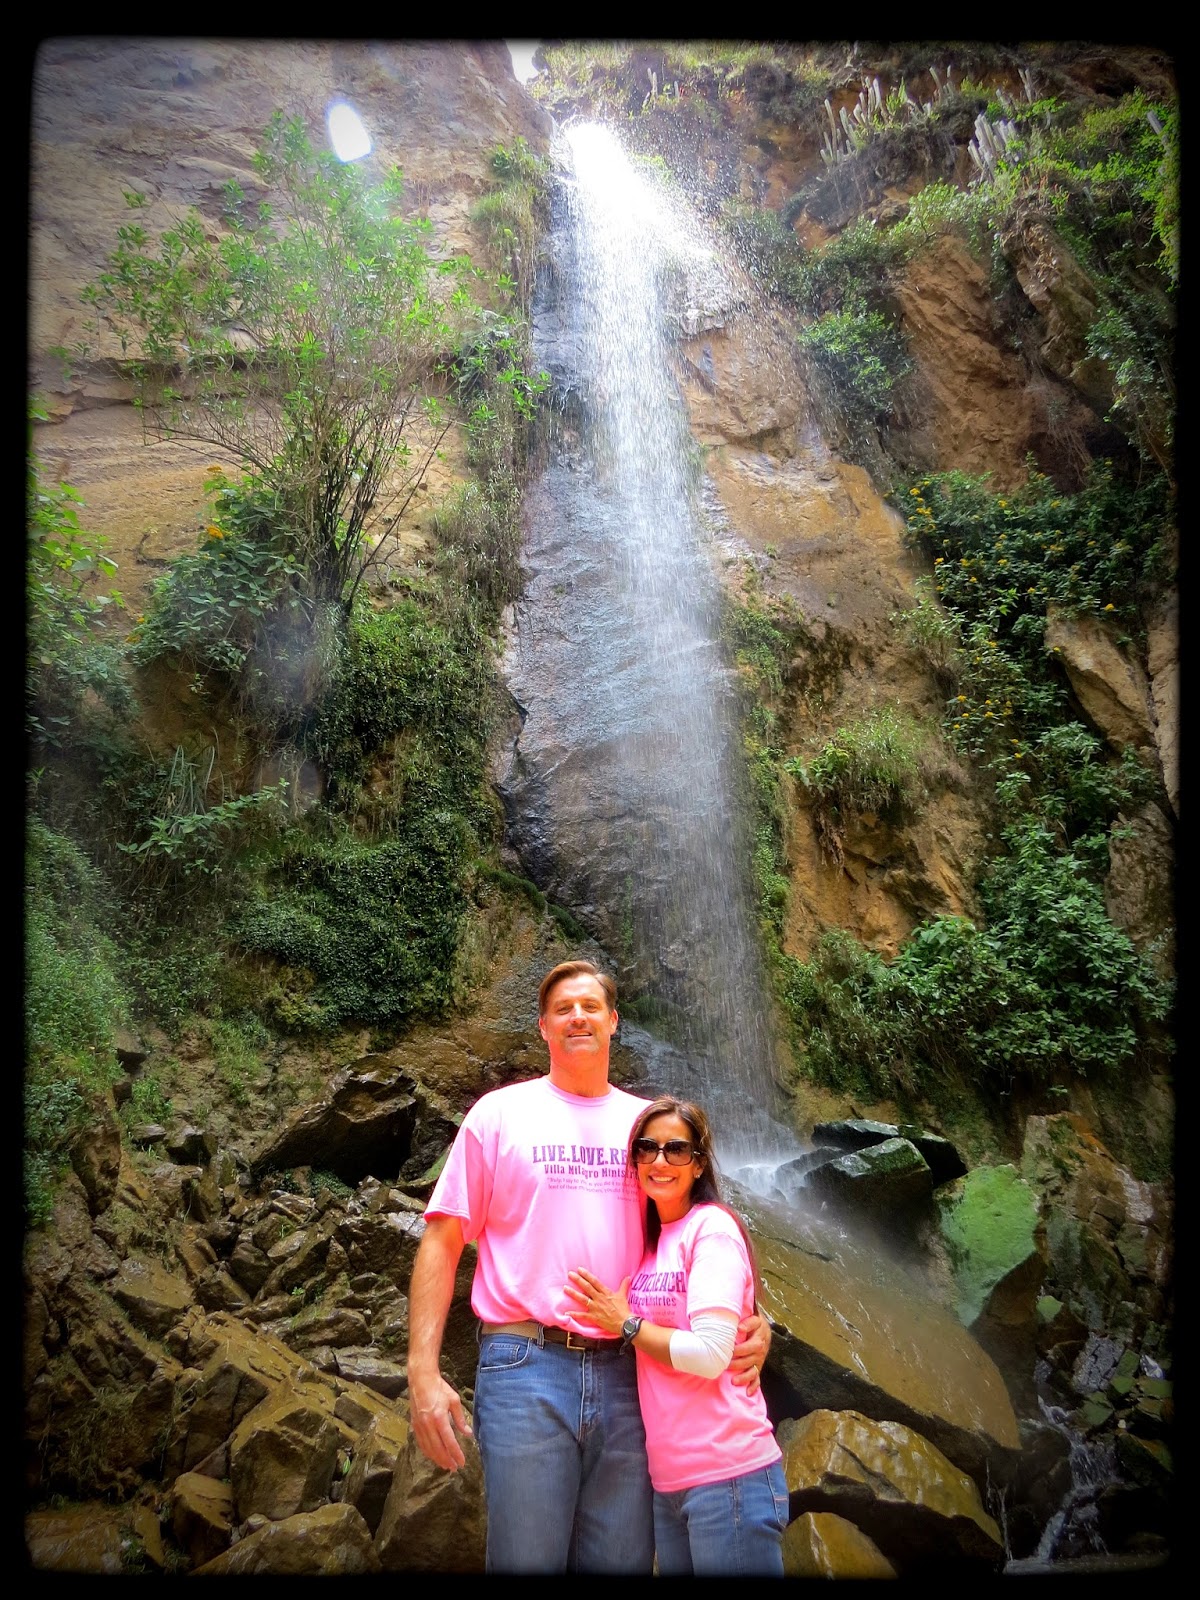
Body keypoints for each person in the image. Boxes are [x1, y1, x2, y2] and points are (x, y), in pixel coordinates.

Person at [407, 959, 770, 1573]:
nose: (578, 1016)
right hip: (525, 1365)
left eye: (590, 1006)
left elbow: (698, 1232)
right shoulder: (498, 1115)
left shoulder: (649, 1131)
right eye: (563, 1009)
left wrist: (757, 1322)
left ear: (613, 1021)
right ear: (543, 1027)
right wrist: (422, 1371)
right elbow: (441, 1240)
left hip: (633, 1373)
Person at [564, 1095, 788, 1575]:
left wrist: (627, 1325)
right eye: (647, 1148)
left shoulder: (711, 1229)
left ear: (699, 1163)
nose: (660, 1160)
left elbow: (711, 1354)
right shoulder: (651, 1244)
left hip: (729, 1471)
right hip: (670, 1483)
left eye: (677, 1149)